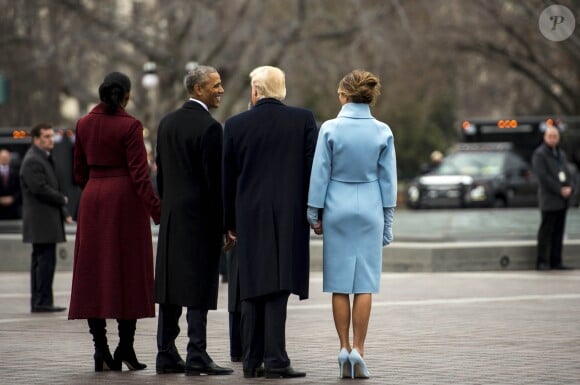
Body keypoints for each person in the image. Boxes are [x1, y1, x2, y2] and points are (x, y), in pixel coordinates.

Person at [223, 65, 317, 379]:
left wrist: (229, 221)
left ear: (255, 90)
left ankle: (251, 361)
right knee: (279, 286)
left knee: (251, 287)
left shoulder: (235, 125)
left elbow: (228, 179)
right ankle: (276, 359)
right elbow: (311, 172)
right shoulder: (302, 120)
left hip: (248, 214)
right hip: (289, 212)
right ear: (282, 88)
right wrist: (313, 212)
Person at [68, 72, 161, 372]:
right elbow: (139, 174)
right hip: (124, 203)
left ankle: (101, 350)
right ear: (127, 96)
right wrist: (156, 211)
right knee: (129, 272)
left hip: (93, 198)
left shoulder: (83, 123)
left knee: (94, 273)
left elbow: (78, 172)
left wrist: (95, 187)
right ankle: (126, 347)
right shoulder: (130, 125)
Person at [307, 69, 397, 379]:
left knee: (339, 283)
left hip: (337, 205)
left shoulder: (330, 128)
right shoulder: (382, 130)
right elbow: (389, 180)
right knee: (365, 284)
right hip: (370, 204)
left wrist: (313, 212)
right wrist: (387, 221)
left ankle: (343, 347)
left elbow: (320, 172)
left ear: (344, 95)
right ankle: (360, 348)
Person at [154, 65, 232, 376]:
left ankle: (165, 353)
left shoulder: (166, 123)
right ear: (198, 90)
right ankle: (196, 352)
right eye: (215, 85)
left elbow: (162, 175)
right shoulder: (210, 128)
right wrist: (225, 224)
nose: (221, 90)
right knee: (199, 285)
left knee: (171, 287)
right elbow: (216, 184)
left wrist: (167, 206)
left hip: (172, 216)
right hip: (200, 219)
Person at [20, 123, 73, 313]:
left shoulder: (43, 158)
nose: (51, 140)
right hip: (41, 221)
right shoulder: (34, 160)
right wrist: (62, 199)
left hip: (45, 220)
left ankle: (42, 300)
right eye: (46, 136)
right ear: (36, 139)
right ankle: (42, 301)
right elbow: (39, 188)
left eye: (51, 136)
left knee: (44, 261)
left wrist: (64, 212)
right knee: (44, 262)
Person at [532, 125, 575, 271]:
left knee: (559, 232)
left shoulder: (560, 154)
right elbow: (544, 178)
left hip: (562, 201)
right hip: (549, 200)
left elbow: (568, 173)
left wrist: (570, 187)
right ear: (545, 137)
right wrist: (559, 189)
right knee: (546, 231)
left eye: (555, 136)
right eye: (550, 136)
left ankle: (556, 260)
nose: (553, 139)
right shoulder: (539, 155)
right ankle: (542, 261)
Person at [0, 149, 21, 219]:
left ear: (9, 158)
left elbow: (19, 189)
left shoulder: (16, 172)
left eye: (6, 157)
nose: (4, 159)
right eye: (2, 157)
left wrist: (13, 198)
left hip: (13, 210)